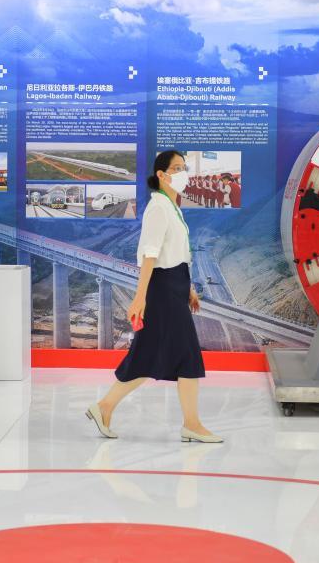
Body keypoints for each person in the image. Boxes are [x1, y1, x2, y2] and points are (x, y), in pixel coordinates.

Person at [85, 150, 222, 443]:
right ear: (161, 175)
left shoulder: (172, 207)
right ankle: (191, 424)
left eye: (184, 167)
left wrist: (188, 288)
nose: (183, 173)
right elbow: (150, 255)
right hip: (162, 289)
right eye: (177, 168)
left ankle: (105, 407)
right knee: (184, 354)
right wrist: (140, 298)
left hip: (175, 285)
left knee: (152, 354)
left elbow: (176, 253)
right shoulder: (158, 208)